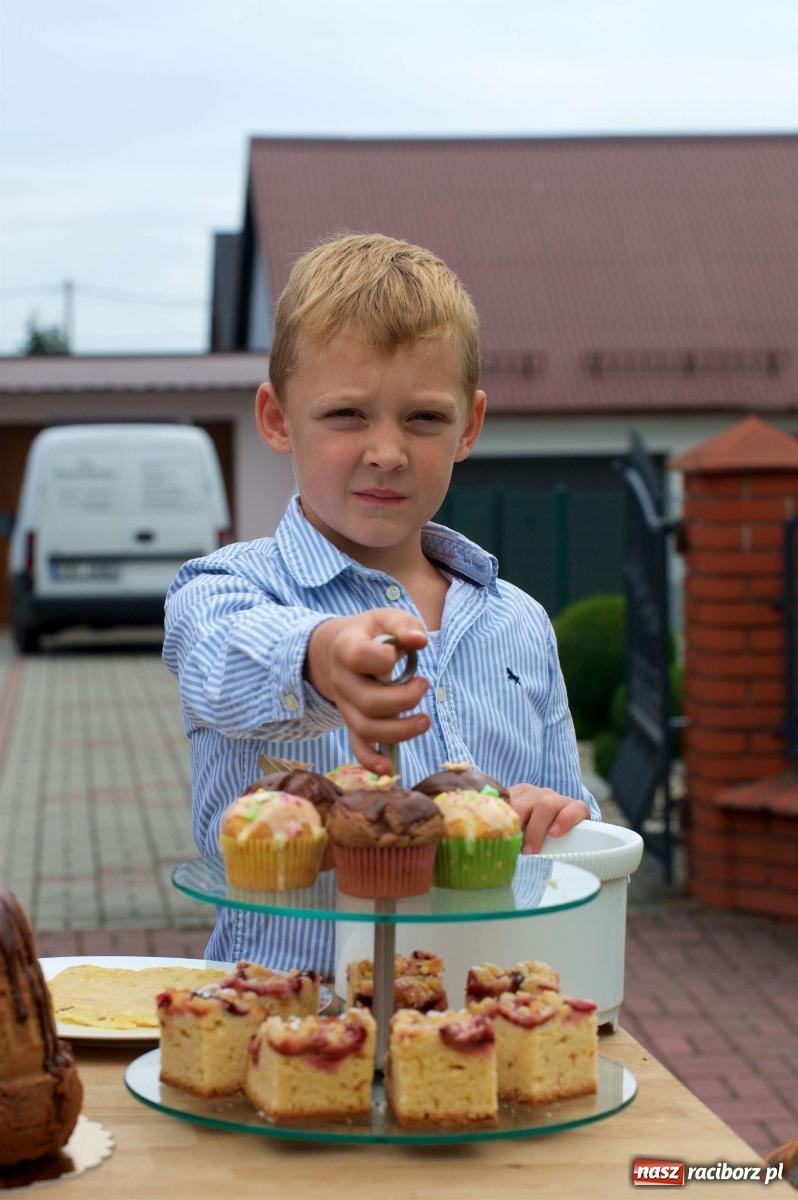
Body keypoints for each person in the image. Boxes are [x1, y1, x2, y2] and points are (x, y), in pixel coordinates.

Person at [163, 232, 600, 976]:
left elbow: (574, 829)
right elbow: (219, 663)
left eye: (423, 419)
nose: (387, 452)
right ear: (276, 418)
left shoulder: (520, 621)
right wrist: (321, 658)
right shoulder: (222, 588)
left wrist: (558, 820)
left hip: (476, 1018)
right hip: (288, 1016)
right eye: (347, 415)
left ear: (469, 425)